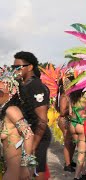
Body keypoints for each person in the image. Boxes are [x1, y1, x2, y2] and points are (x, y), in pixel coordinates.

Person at [12, 51, 51, 180]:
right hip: (28, 134)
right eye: (13, 67)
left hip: (38, 135)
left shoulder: (35, 86)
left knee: (35, 170)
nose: (15, 70)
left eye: (18, 67)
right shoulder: (24, 85)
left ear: (29, 67)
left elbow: (42, 120)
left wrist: (33, 145)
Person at [0, 67, 36, 180]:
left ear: (12, 91)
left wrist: (25, 166)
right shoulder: (5, 111)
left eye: (0, 92)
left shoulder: (12, 110)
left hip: (16, 173)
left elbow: (29, 135)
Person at [56, 77, 76, 172]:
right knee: (68, 142)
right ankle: (67, 164)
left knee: (72, 142)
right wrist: (73, 108)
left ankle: (70, 161)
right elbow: (62, 111)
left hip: (68, 120)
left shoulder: (68, 95)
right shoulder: (64, 96)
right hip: (64, 120)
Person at [69, 88, 86, 179]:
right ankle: (76, 177)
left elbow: (70, 112)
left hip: (72, 125)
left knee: (81, 151)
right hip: (81, 125)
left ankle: (84, 173)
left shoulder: (72, 96)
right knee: (81, 153)